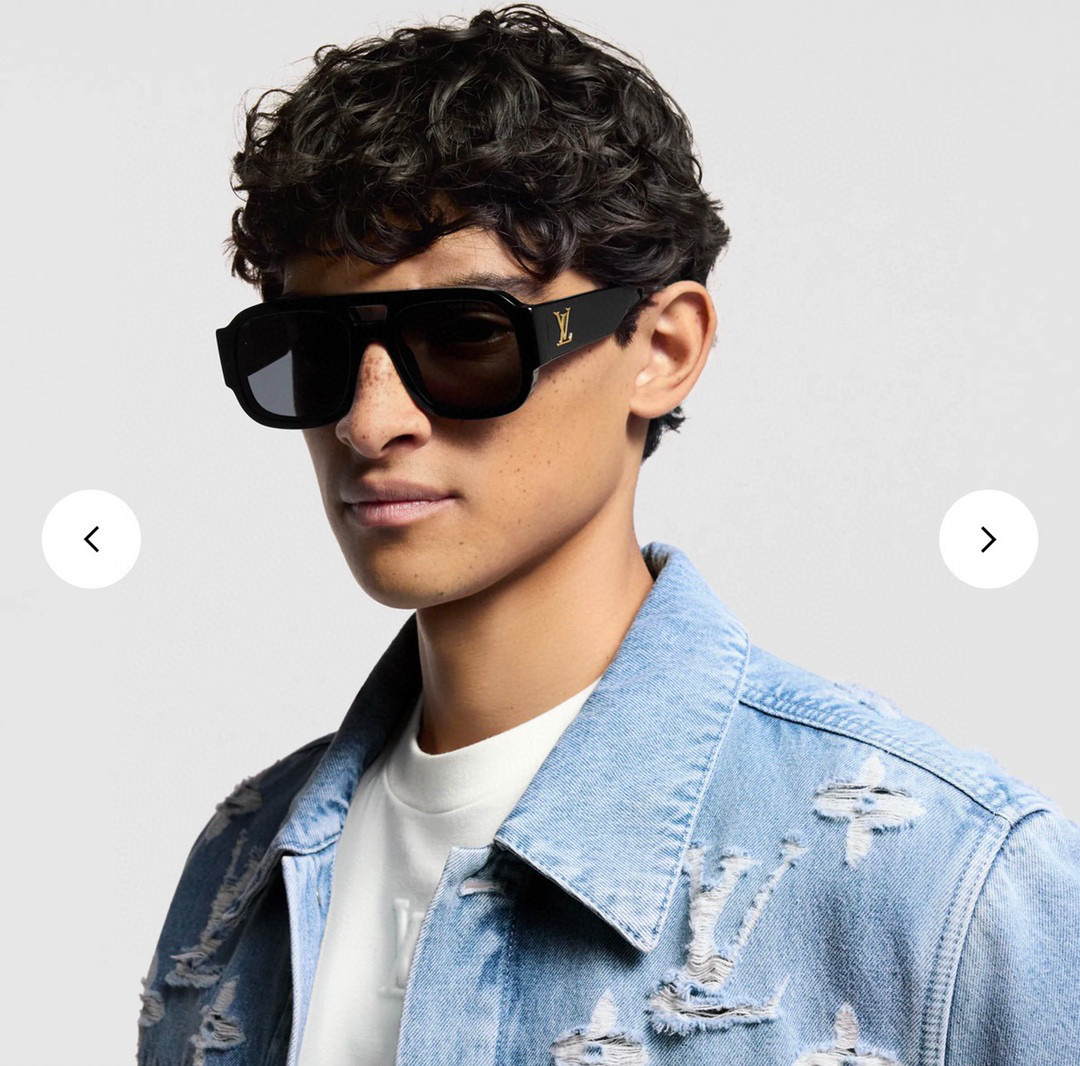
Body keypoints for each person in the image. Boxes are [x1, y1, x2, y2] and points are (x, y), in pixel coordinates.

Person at [137, 6, 1080, 1064]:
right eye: (311, 349)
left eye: (466, 336)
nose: (369, 420)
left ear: (662, 348)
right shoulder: (240, 868)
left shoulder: (956, 886)